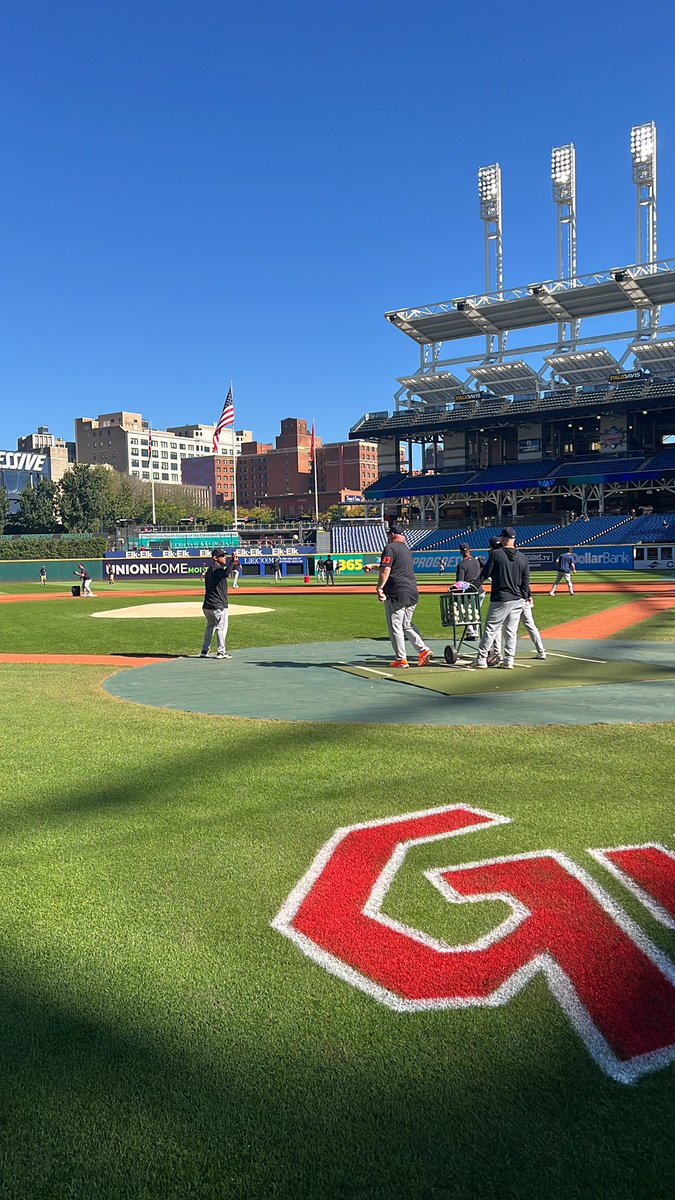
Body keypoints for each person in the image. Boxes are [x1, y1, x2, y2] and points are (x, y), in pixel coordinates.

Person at [375, 524, 432, 668]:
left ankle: (401, 659)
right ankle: (423, 650)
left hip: (397, 592)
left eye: (389, 535)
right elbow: (394, 567)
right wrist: (373, 566)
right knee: (406, 625)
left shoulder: (390, 547)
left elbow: (386, 569)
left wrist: (380, 588)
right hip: (412, 591)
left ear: (393, 535)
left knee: (396, 626)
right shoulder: (407, 550)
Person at [473, 528, 530, 670]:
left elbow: (485, 573)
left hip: (501, 598)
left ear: (504, 539)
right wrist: (525, 597)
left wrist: (473, 586)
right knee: (511, 631)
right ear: (514, 540)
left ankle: (481, 659)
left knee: (491, 629)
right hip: (518, 599)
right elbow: (526, 581)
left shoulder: (496, 554)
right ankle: (509, 660)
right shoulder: (523, 557)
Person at [200, 548, 232, 659]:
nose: (225, 557)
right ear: (215, 558)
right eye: (222, 556)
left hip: (208, 605)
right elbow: (226, 573)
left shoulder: (210, 570)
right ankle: (221, 651)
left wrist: (232, 563)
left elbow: (225, 572)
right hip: (218, 604)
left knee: (210, 627)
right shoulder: (216, 569)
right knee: (221, 627)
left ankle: (205, 650)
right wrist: (232, 562)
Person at [455, 544, 485, 639]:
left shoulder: (462, 565)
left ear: (461, 552)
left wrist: (456, 593)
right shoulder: (477, 561)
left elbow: (460, 583)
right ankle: (476, 631)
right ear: (469, 550)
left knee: (465, 612)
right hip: (480, 591)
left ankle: (471, 632)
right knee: (476, 612)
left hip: (470, 592)